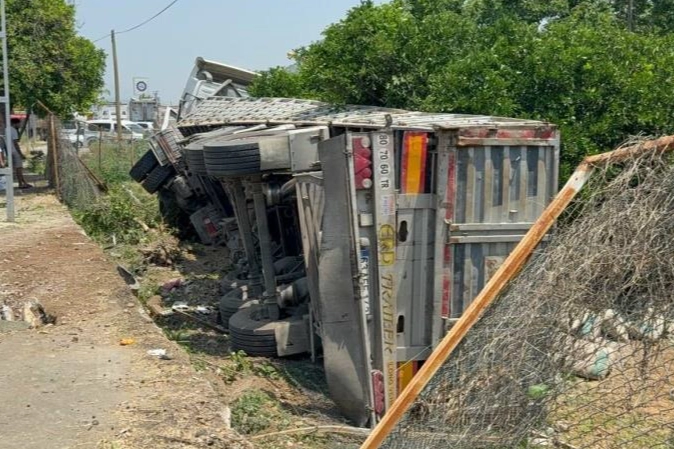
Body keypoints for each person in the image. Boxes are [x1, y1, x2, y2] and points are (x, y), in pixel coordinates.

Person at [8, 117, 32, 189]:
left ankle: (24, 183)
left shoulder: (7, 129)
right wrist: (20, 154)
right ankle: (21, 184)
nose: (20, 125)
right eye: (19, 123)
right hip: (15, 151)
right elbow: (15, 143)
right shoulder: (14, 131)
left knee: (16, 169)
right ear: (15, 123)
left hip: (9, 151)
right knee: (19, 168)